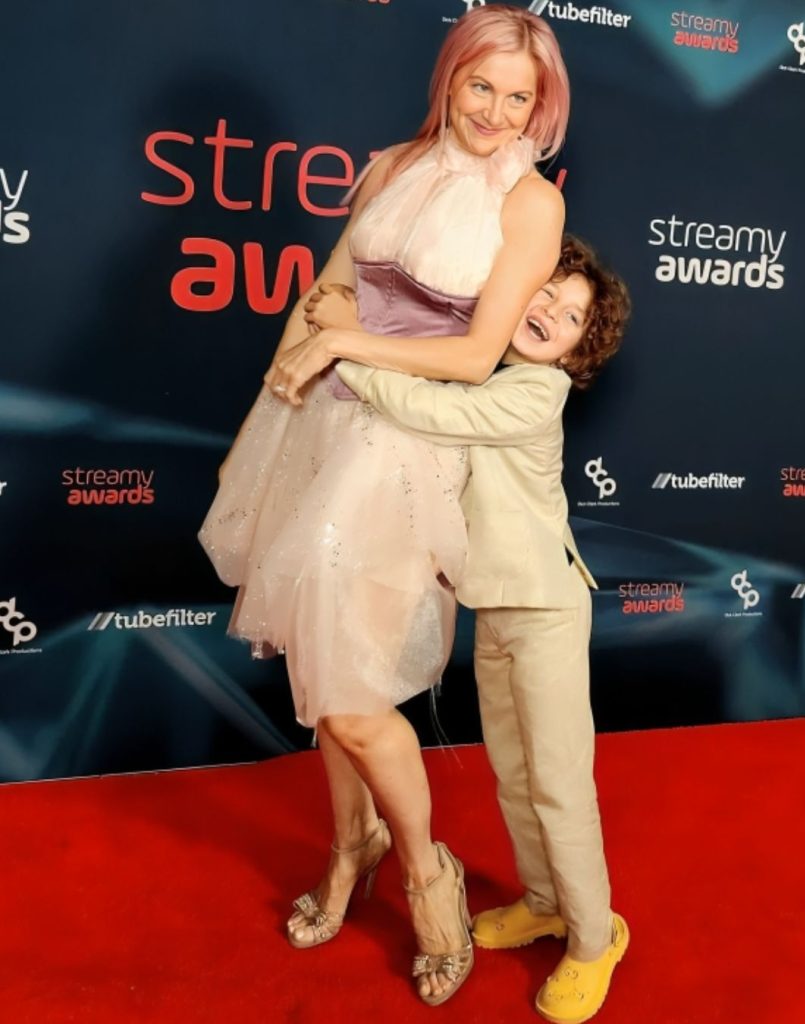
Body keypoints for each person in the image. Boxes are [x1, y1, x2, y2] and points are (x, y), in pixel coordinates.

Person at [199, 5, 570, 1006]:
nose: (495, 111)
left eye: (519, 96)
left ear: (543, 107)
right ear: (450, 76)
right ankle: (350, 841)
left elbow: (473, 355)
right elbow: (323, 292)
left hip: (409, 444)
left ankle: (424, 871)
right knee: (327, 658)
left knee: (354, 693)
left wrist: (346, 340)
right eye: (480, 85)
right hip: (319, 421)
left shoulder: (531, 207)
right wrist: (291, 374)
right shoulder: (389, 164)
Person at [323, 233, 631, 1023]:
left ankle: (593, 941)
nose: (549, 315)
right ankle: (542, 902)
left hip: (548, 612)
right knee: (515, 778)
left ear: (575, 351)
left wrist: (343, 356)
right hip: (495, 611)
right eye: (545, 294)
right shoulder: (492, 368)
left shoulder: (537, 392)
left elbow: (432, 408)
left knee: (560, 787)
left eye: (569, 318)